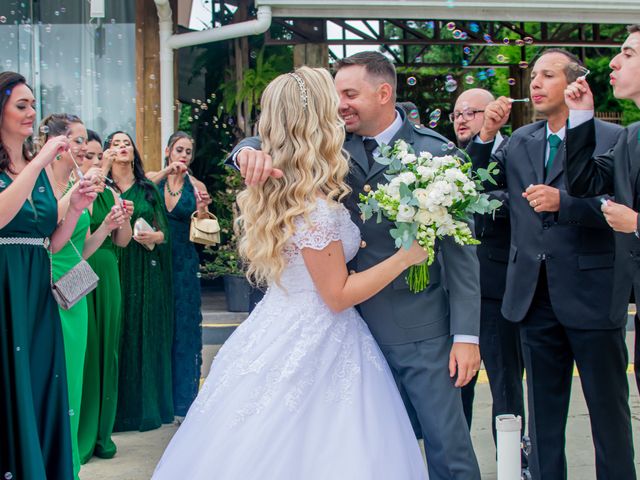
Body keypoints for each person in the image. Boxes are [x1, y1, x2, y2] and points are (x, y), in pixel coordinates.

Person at [153, 66, 429, 480]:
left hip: (278, 325)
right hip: (320, 337)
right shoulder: (313, 205)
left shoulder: (285, 186)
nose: (340, 110)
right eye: (331, 102)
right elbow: (337, 294)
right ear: (317, 118)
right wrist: (406, 258)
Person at [230, 52, 482, 480]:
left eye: (349, 94)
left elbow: (462, 256)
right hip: (344, 332)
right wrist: (244, 152)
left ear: (383, 93)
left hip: (419, 332)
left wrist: (467, 336)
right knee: (367, 454)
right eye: (334, 95)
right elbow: (278, 136)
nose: (340, 104)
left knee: (447, 447)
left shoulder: (437, 155)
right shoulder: (326, 147)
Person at [468, 49, 635, 479]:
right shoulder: (521, 140)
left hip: (592, 294)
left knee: (608, 414)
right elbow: (479, 188)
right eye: (533, 76)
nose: (535, 84)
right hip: (530, 293)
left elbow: (619, 210)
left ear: (575, 84)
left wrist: (568, 204)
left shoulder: (613, 138)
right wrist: (487, 135)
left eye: (548, 75)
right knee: (541, 416)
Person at [0, 72, 96, 479]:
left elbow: (51, 242)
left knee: (41, 379)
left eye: (33, 105)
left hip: (37, 290)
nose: (31, 112)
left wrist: (73, 207)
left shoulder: (35, 172)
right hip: (5, 286)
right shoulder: (31, 168)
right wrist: (39, 159)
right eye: (21, 105)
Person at [40, 114, 129, 479]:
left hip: (73, 290)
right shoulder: (42, 186)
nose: (84, 151)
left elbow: (80, 248)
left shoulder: (83, 188)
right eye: (76, 142)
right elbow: (44, 238)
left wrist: (107, 226)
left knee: (74, 377)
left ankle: (69, 464)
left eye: (85, 143)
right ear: (57, 146)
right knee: (50, 380)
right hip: (43, 286)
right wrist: (73, 200)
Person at [564, 24, 640, 394]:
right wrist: (580, 117)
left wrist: (637, 222)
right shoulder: (631, 136)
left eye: (628, 54)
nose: (613, 62)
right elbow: (583, 182)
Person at [451, 89, 525, 442]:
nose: (461, 119)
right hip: (454, 294)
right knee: (457, 385)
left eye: (471, 112)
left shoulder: (516, 149)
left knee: (506, 383)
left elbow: (523, 201)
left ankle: (514, 462)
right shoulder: (448, 158)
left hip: (496, 289)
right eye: (456, 114)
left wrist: (483, 201)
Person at [107, 131, 174, 432]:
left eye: (126, 143)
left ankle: (146, 408)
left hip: (146, 270)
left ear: (133, 151)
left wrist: (153, 236)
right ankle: (114, 413)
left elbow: (166, 234)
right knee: (116, 334)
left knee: (144, 332)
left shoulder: (147, 189)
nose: (122, 147)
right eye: (115, 143)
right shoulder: (101, 188)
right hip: (113, 267)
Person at [77, 129, 134, 462]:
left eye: (100, 156)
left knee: (107, 350)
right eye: (90, 155)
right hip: (81, 269)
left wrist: (121, 220)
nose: (97, 162)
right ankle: (82, 433)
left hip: (108, 270)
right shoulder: (74, 190)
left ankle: (102, 434)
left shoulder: (110, 193)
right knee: (87, 351)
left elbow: (124, 240)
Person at [147, 131, 212, 419]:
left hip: (185, 261)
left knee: (184, 326)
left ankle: (183, 401)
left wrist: (202, 209)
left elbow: (203, 230)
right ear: (168, 151)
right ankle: (157, 400)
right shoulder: (155, 178)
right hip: (156, 257)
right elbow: (140, 190)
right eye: (179, 150)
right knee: (159, 324)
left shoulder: (196, 185)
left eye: (187, 151)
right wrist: (166, 171)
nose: (183, 156)